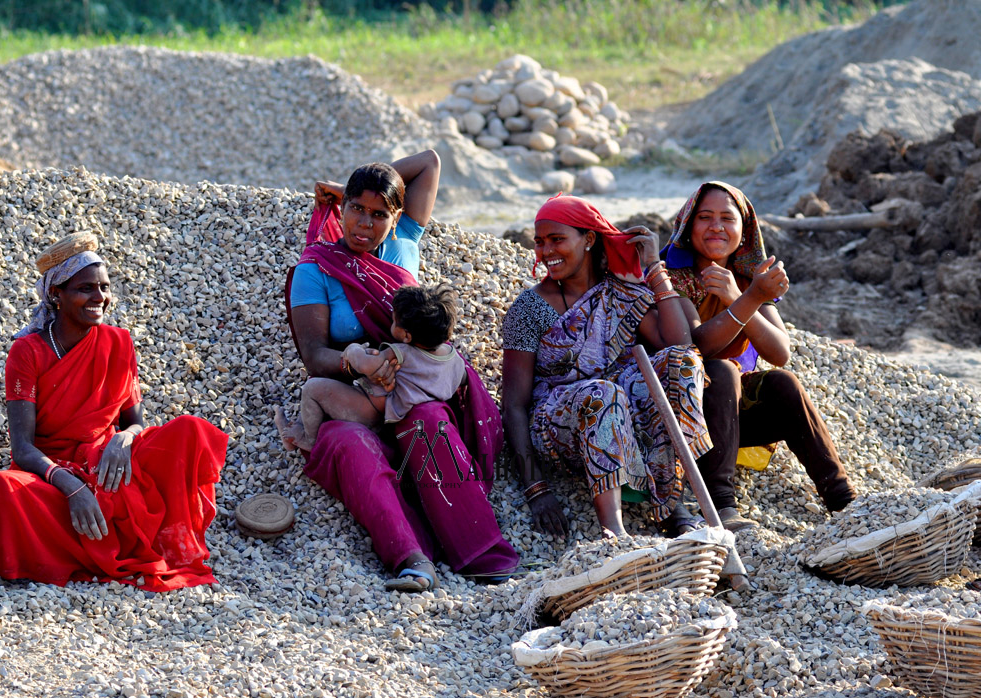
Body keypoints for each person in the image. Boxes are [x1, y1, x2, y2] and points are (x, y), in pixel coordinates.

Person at [286, 150, 518, 592]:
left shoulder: (404, 244)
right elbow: (314, 354)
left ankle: (480, 552)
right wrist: (357, 359)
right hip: (355, 401)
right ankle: (412, 560)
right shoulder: (316, 268)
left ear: (397, 217)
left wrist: (358, 183)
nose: (365, 224)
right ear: (342, 209)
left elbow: (430, 161)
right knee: (351, 447)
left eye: (378, 214)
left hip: (414, 392)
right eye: (356, 208)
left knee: (431, 420)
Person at [0, 233, 228, 591]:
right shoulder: (27, 352)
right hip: (52, 474)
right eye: (86, 288)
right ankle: (88, 545)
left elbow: (136, 423)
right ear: (56, 295)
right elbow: (22, 449)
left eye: (104, 287)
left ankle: (135, 540)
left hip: (109, 463)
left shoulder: (118, 341)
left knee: (191, 430)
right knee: (0, 489)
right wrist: (70, 487)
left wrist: (124, 439)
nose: (100, 298)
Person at [501, 195, 712, 539]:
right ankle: (613, 532)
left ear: (588, 239)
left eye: (557, 239)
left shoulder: (617, 292)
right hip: (558, 428)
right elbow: (513, 405)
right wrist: (537, 490)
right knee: (604, 391)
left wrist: (654, 269)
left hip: (623, 414)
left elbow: (677, 344)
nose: (545, 251)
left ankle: (672, 499)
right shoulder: (529, 309)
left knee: (683, 364)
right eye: (540, 242)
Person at [662, 181, 856, 530]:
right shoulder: (672, 276)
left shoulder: (747, 278)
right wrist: (748, 299)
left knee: (782, 383)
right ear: (688, 226)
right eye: (704, 217)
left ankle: (843, 500)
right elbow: (697, 347)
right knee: (721, 370)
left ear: (744, 228)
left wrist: (743, 294)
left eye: (727, 218)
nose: (717, 226)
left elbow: (780, 352)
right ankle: (721, 505)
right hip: (676, 411)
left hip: (726, 419)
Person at [275, 284, 466, 451]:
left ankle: (307, 439)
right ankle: (292, 432)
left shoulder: (401, 353)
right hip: (397, 417)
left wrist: (353, 350)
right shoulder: (454, 359)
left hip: (368, 408)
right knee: (327, 393)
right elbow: (462, 379)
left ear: (407, 336)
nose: (391, 324)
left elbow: (365, 366)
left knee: (313, 389)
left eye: (393, 322)